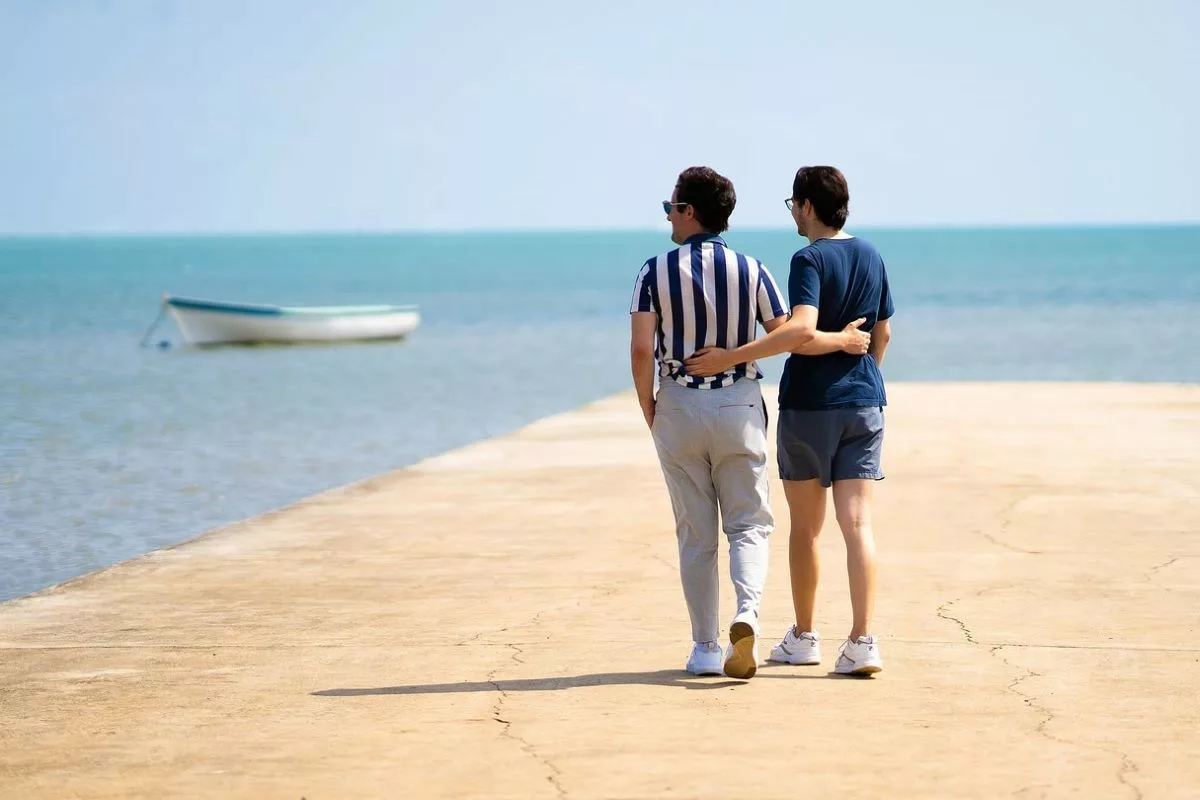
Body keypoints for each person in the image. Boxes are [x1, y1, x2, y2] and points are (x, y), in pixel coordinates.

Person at [630, 166, 870, 679]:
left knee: (696, 533)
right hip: (739, 403)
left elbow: (640, 347)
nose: (670, 216)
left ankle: (704, 649)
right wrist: (845, 341)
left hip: (678, 402)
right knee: (749, 525)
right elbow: (794, 337)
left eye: (671, 207)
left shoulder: (654, 271)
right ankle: (747, 614)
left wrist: (650, 405)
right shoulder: (754, 269)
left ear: (689, 211)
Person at [686, 165, 893, 676]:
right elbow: (882, 334)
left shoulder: (809, 258)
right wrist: (858, 376)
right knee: (859, 524)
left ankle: (804, 636)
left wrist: (730, 357)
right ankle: (863, 641)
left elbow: (799, 331)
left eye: (792, 205)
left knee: (806, 528)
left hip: (809, 406)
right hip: (864, 403)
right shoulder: (871, 254)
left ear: (805, 206)